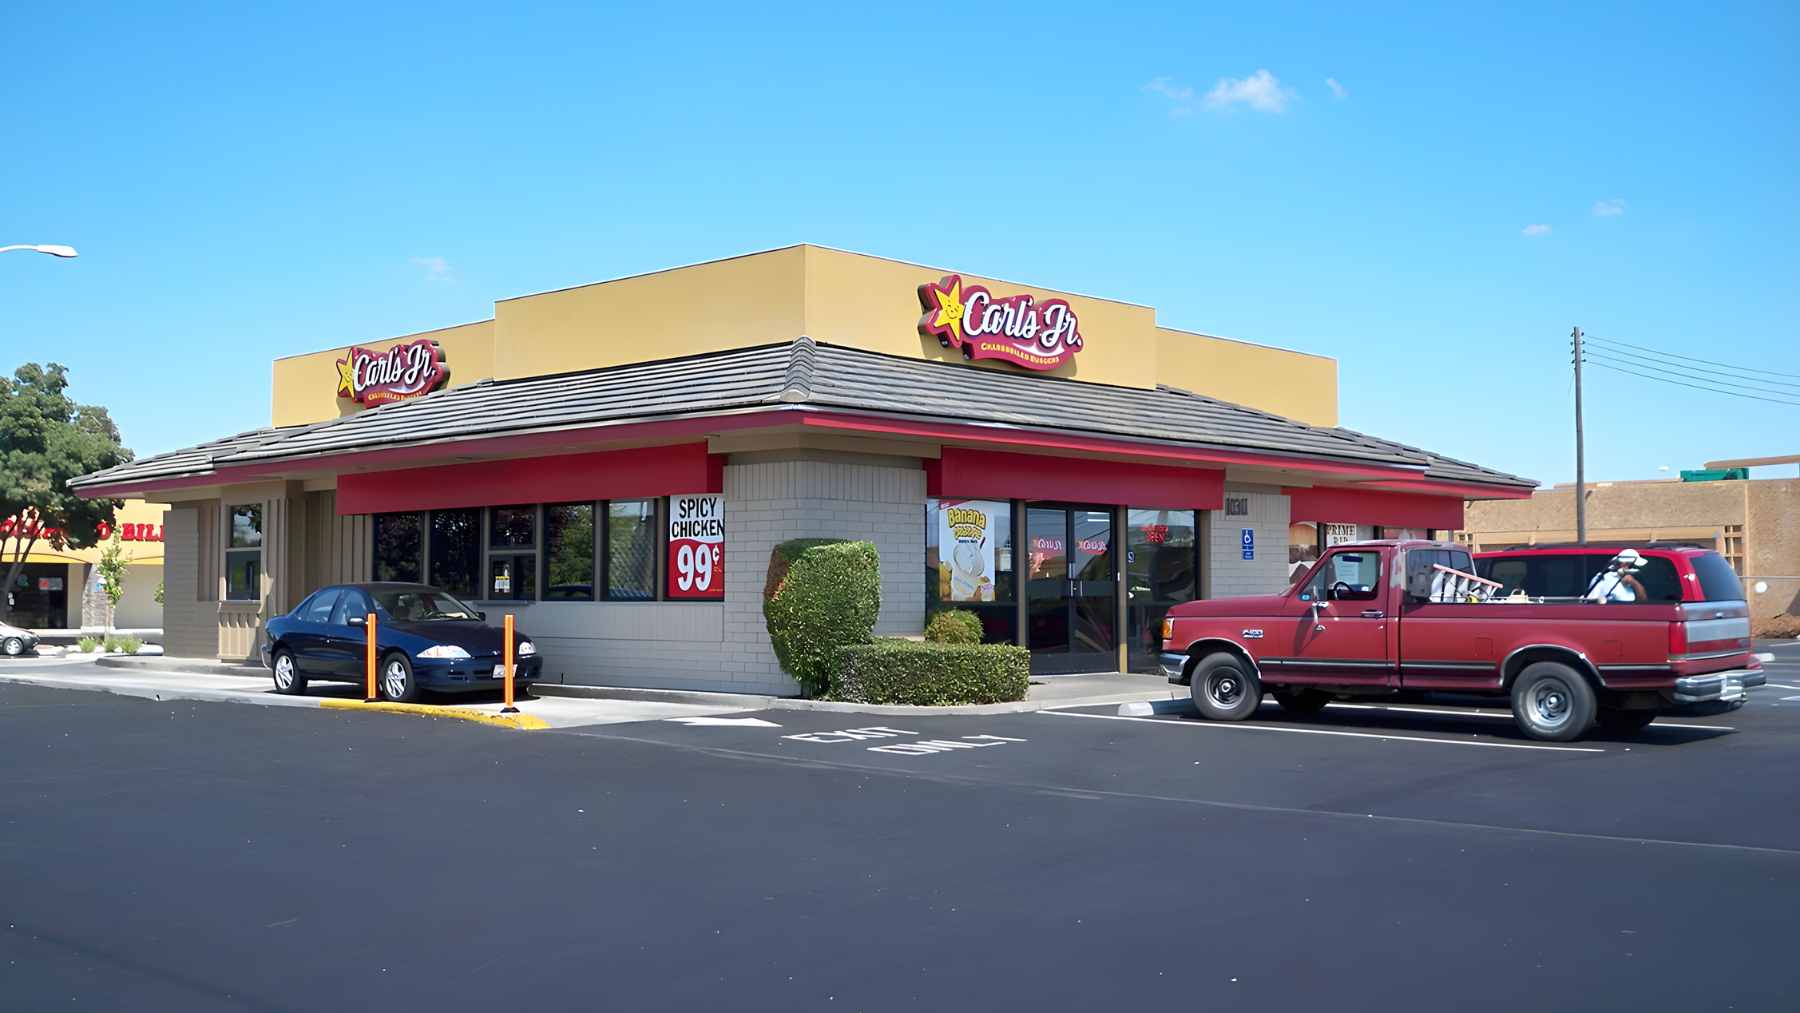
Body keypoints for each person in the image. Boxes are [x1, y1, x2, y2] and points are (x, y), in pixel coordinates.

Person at [1584, 549, 1649, 603]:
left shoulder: (1634, 580)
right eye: (1634, 566)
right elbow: (1591, 602)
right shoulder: (1602, 579)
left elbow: (1643, 601)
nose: (1636, 570)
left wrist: (1633, 583)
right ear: (1624, 564)